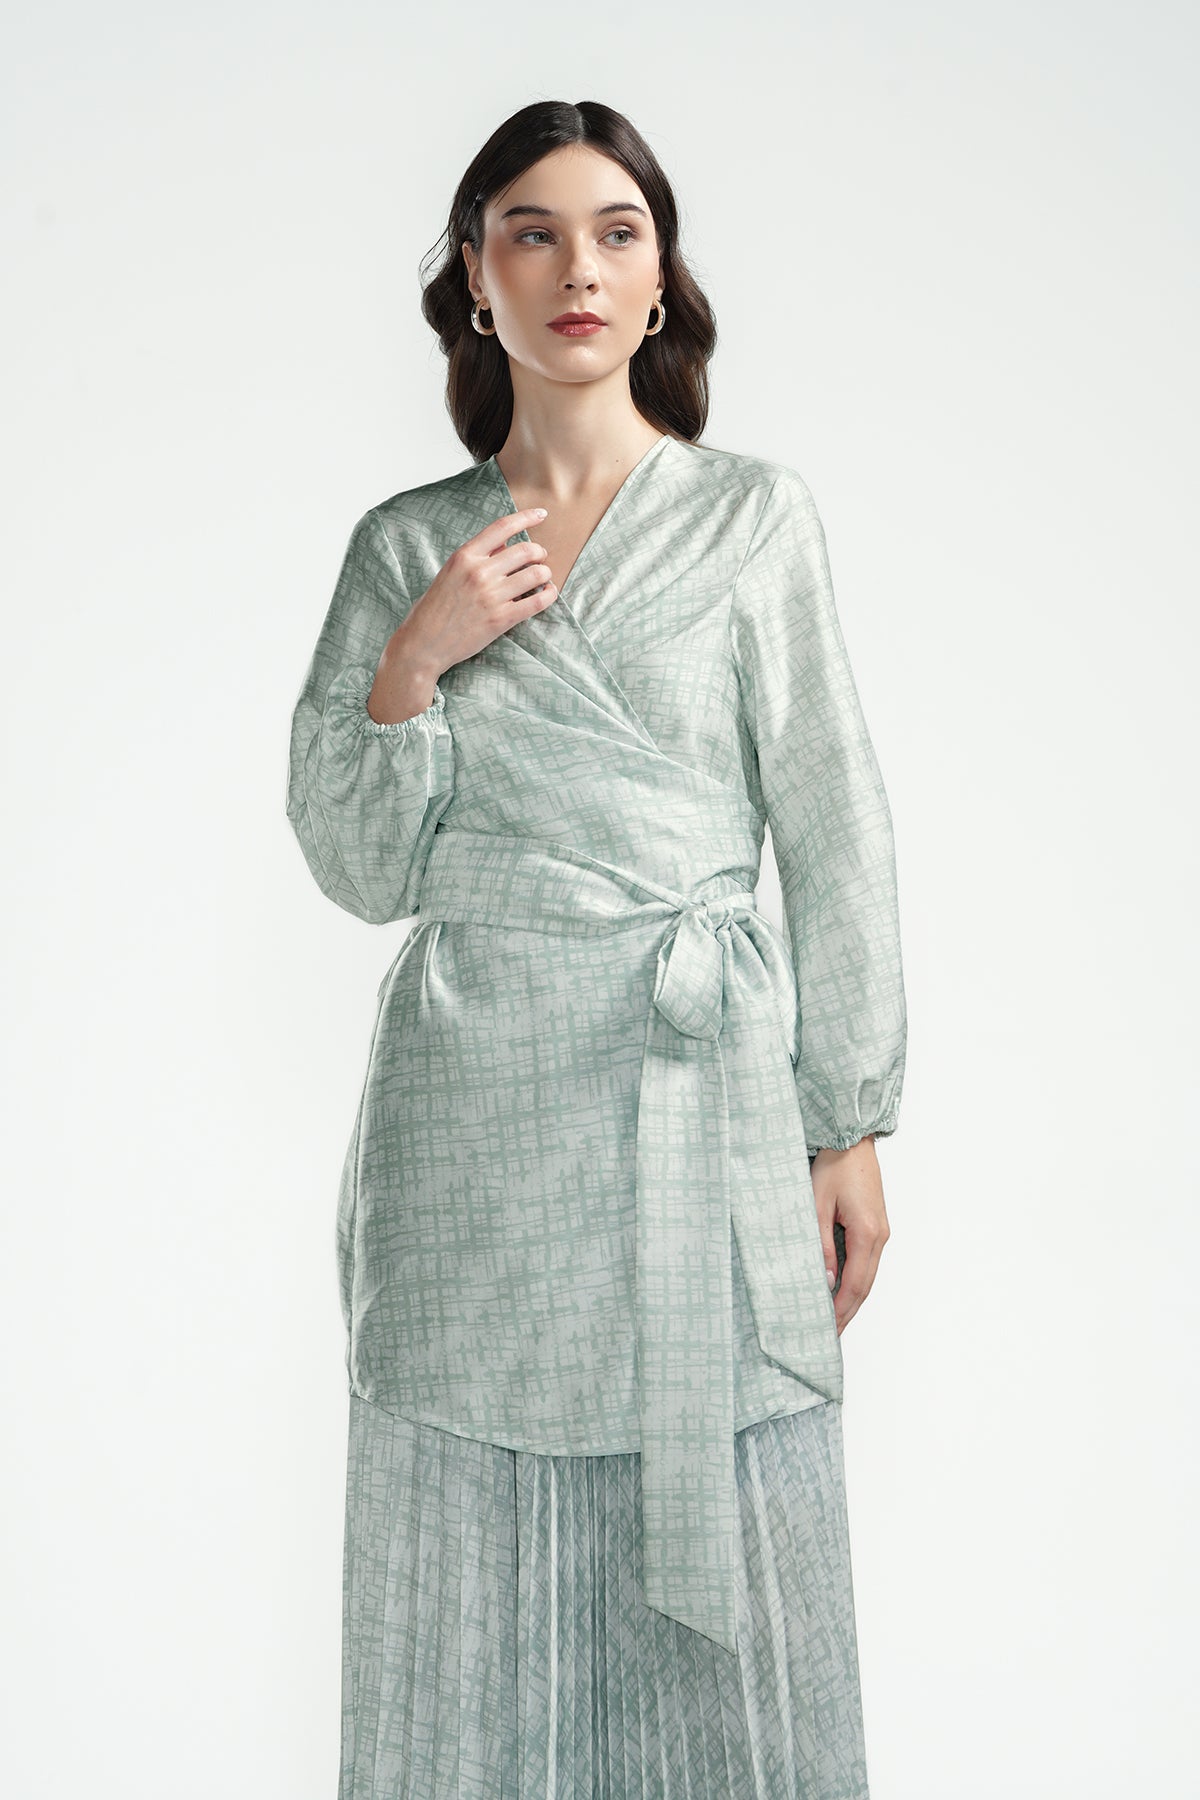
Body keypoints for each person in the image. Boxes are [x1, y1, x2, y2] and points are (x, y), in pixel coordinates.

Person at [286, 97, 907, 1800]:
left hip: (696, 1085)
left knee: (738, 1486)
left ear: (657, 281)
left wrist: (848, 1117)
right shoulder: (406, 546)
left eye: (616, 233)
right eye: (534, 232)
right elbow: (355, 864)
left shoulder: (752, 520)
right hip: (476, 1115)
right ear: (476, 277)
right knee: (461, 1511)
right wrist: (416, 660)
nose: (577, 267)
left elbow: (835, 818)